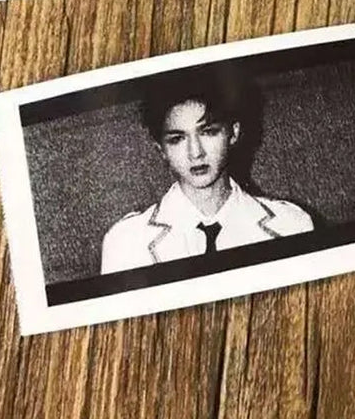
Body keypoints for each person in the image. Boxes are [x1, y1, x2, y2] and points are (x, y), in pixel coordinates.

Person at [100, 71, 314, 273]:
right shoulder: (125, 242)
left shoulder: (291, 225)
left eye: (209, 132)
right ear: (161, 149)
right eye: (177, 139)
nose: (196, 153)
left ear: (233, 133)